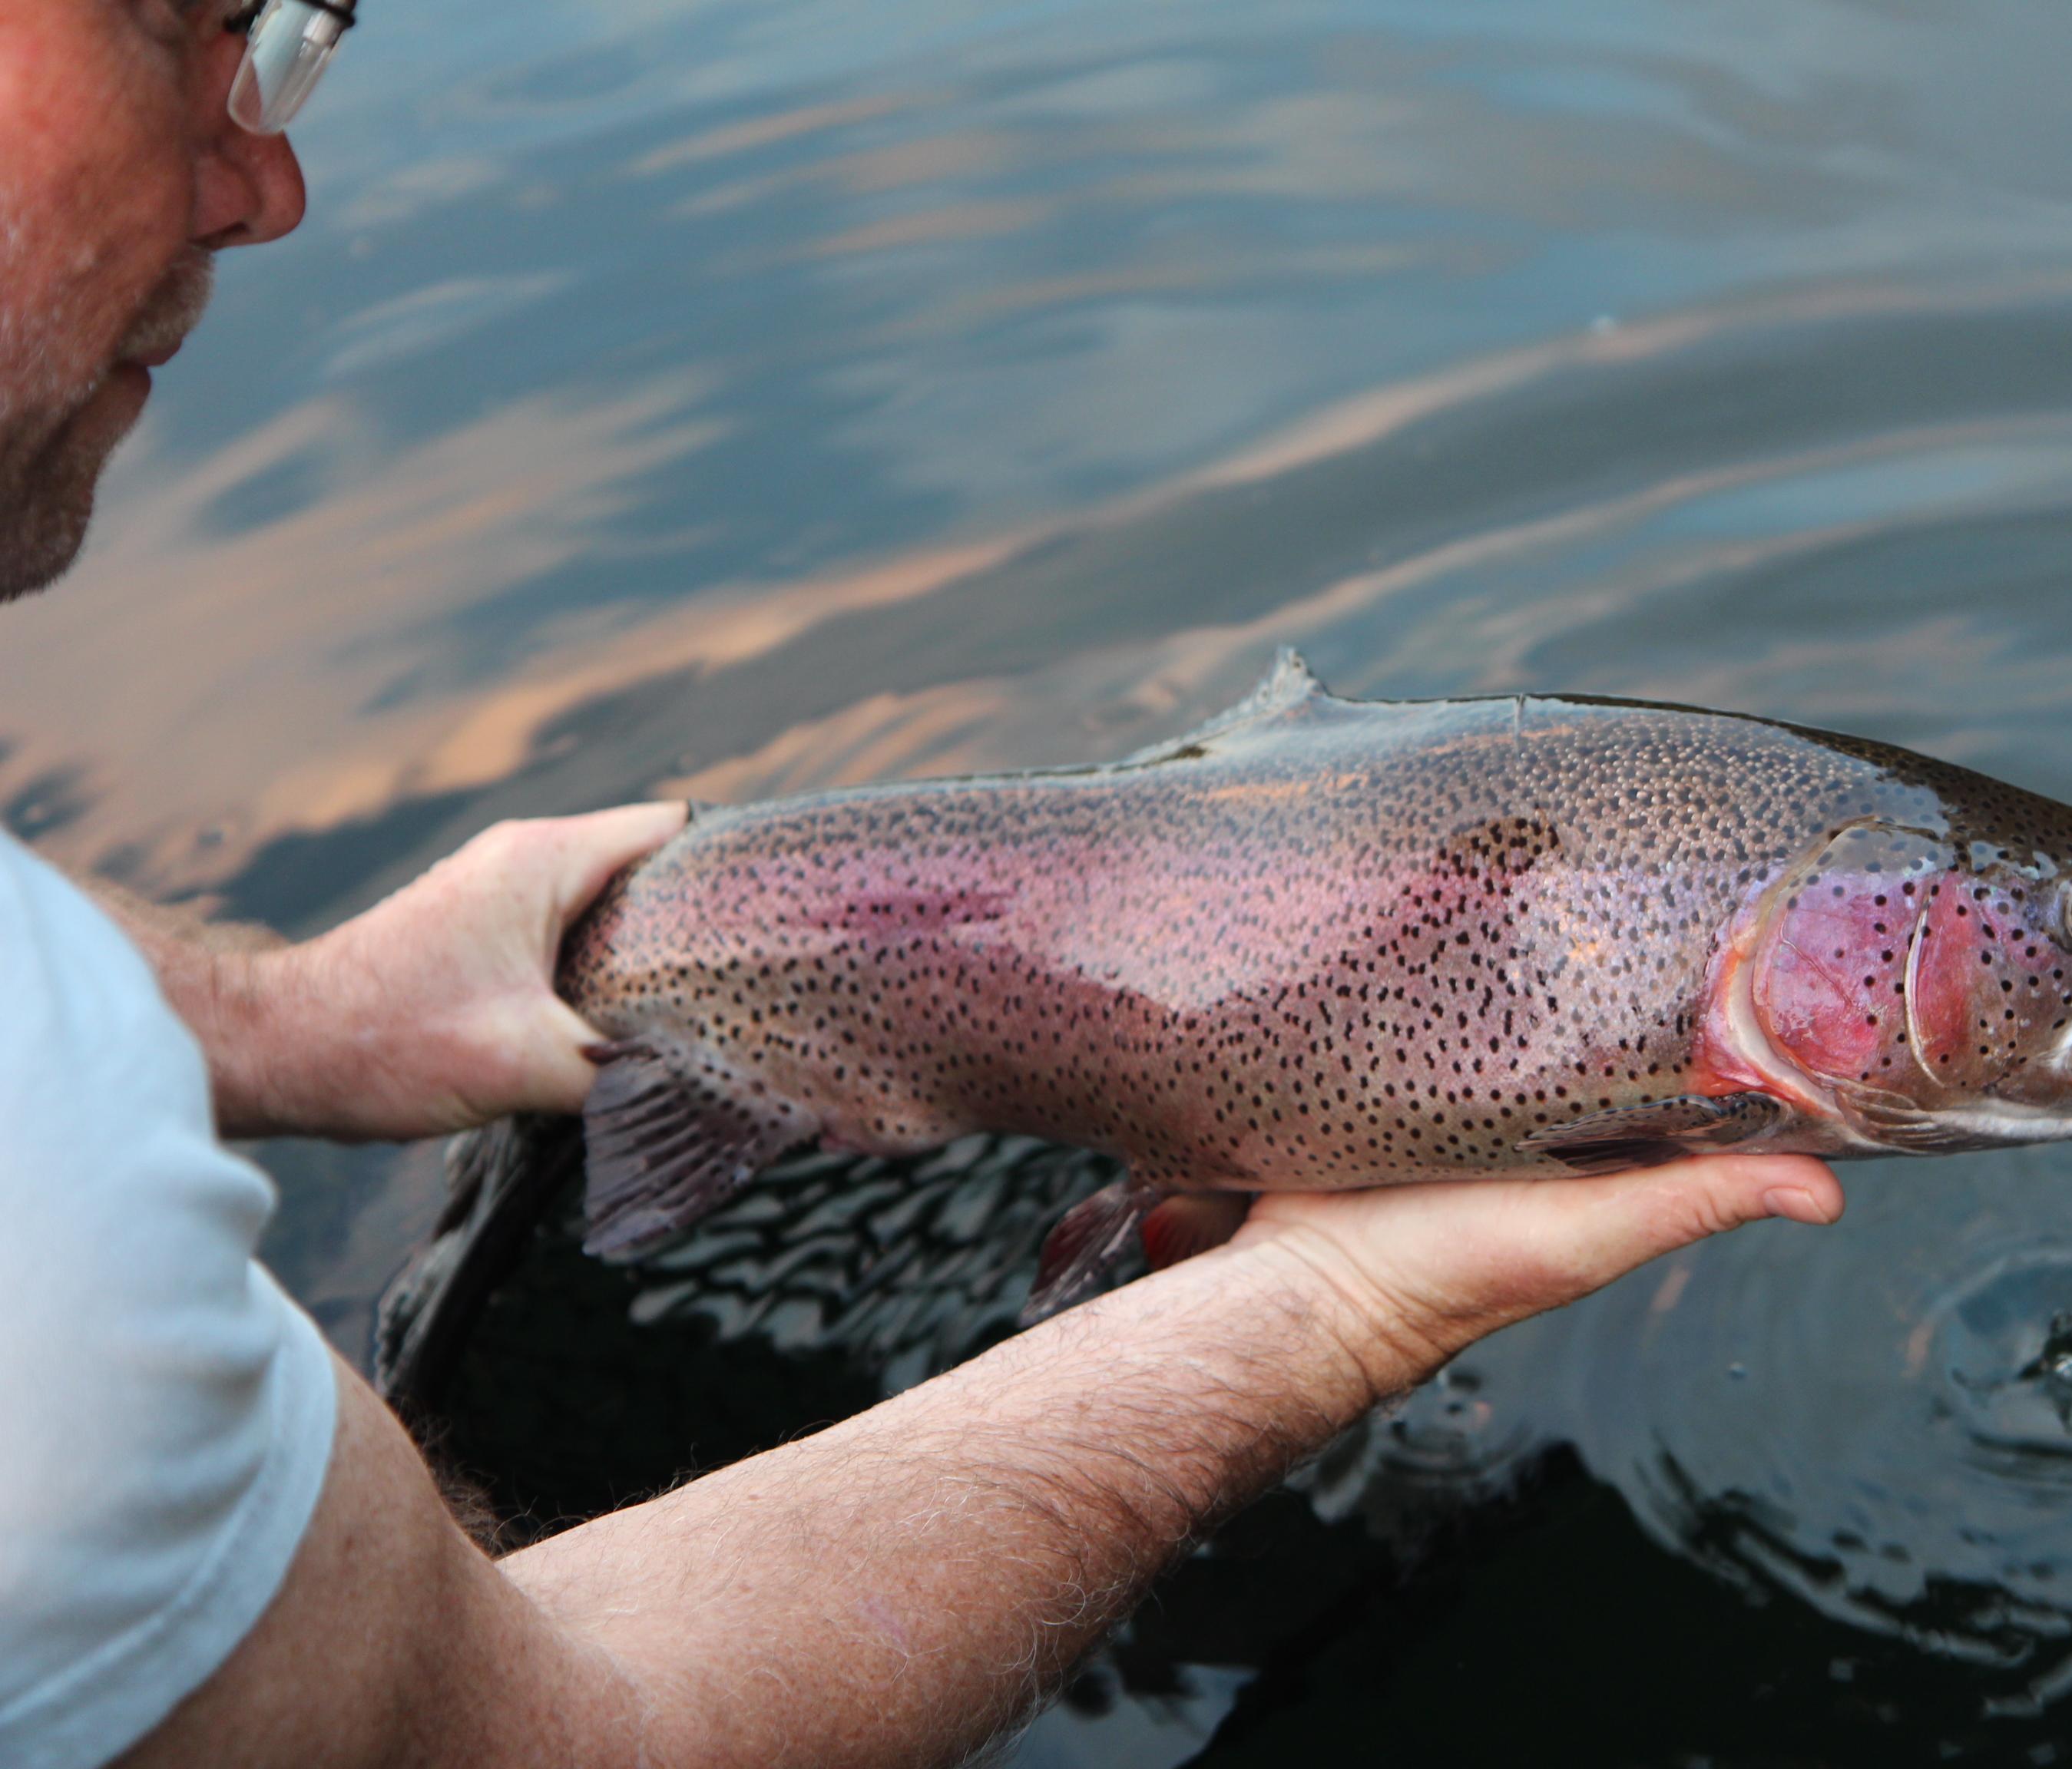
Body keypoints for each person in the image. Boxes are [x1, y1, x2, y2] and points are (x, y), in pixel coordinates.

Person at [0, 0, 1847, 1762]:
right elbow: (541, 1740)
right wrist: (1328, 1315)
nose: (268, 179)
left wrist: (294, 1020)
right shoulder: (48, 1307)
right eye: (178, 18)